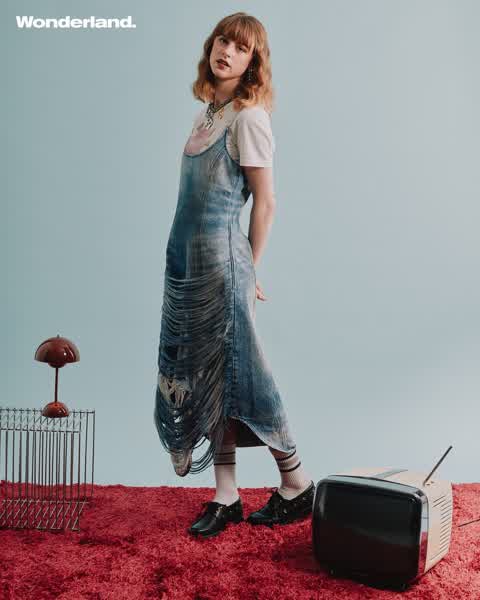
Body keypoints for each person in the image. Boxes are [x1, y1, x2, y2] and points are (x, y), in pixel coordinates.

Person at [154, 12, 314, 538]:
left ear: (252, 62)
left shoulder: (249, 118)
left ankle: (296, 483)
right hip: (188, 266)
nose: (227, 51)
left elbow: (265, 202)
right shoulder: (209, 113)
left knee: (248, 377)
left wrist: (250, 268)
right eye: (223, 40)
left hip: (223, 267)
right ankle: (226, 495)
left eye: (241, 48)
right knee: (209, 380)